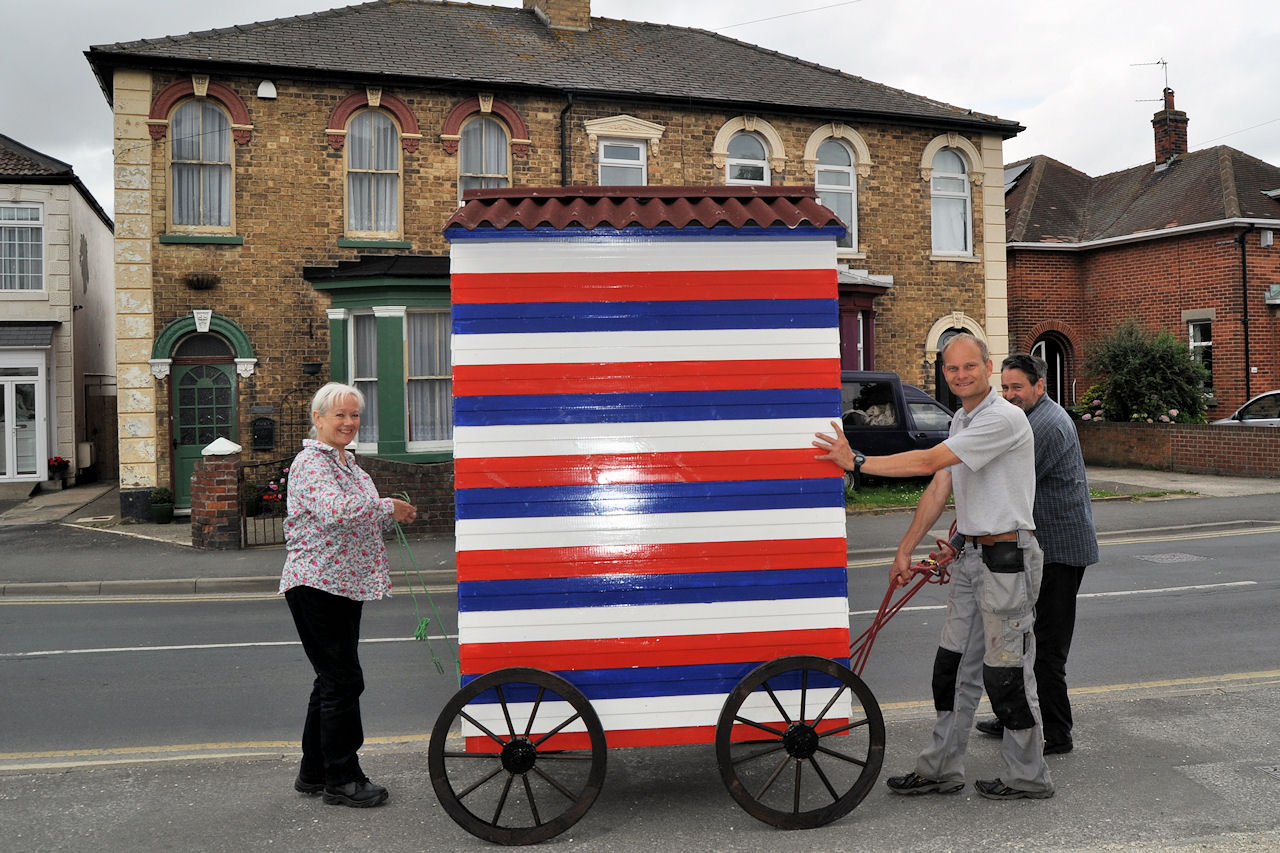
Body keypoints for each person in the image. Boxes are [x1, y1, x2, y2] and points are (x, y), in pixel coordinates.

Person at [813, 333, 1053, 800]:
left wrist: (857, 461)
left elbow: (928, 461)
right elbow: (941, 485)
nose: (960, 375)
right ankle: (942, 768)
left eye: (969, 366)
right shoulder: (963, 418)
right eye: (951, 368)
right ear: (943, 373)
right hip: (972, 557)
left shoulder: (1002, 418)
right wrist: (907, 548)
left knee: (1006, 675)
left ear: (987, 366)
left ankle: (1029, 776)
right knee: (951, 668)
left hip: (1007, 562)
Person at [279, 381, 417, 808]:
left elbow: (359, 519)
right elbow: (337, 511)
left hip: (344, 585)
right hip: (316, 583)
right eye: (339, 414)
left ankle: (314, 771)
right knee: (343, 681)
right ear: (318, 418)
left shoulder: (350, 466)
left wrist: (391, 513)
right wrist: (385, 506)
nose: (348, 422)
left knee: (330, 681)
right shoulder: (310, 464)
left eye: (354, 415)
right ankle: (342, 779)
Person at [972, 353, 1098, 754]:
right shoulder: (1026, 420)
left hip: (1061, 551)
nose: (1009, 395)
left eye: (1017, 388)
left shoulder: (1044, 426)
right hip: (1043, 550)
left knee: (1046, 649)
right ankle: (1018, 718)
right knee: (1025, 641)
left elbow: (1006, 484)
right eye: (1004, 388)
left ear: (1039, 387)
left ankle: (1057, 733)